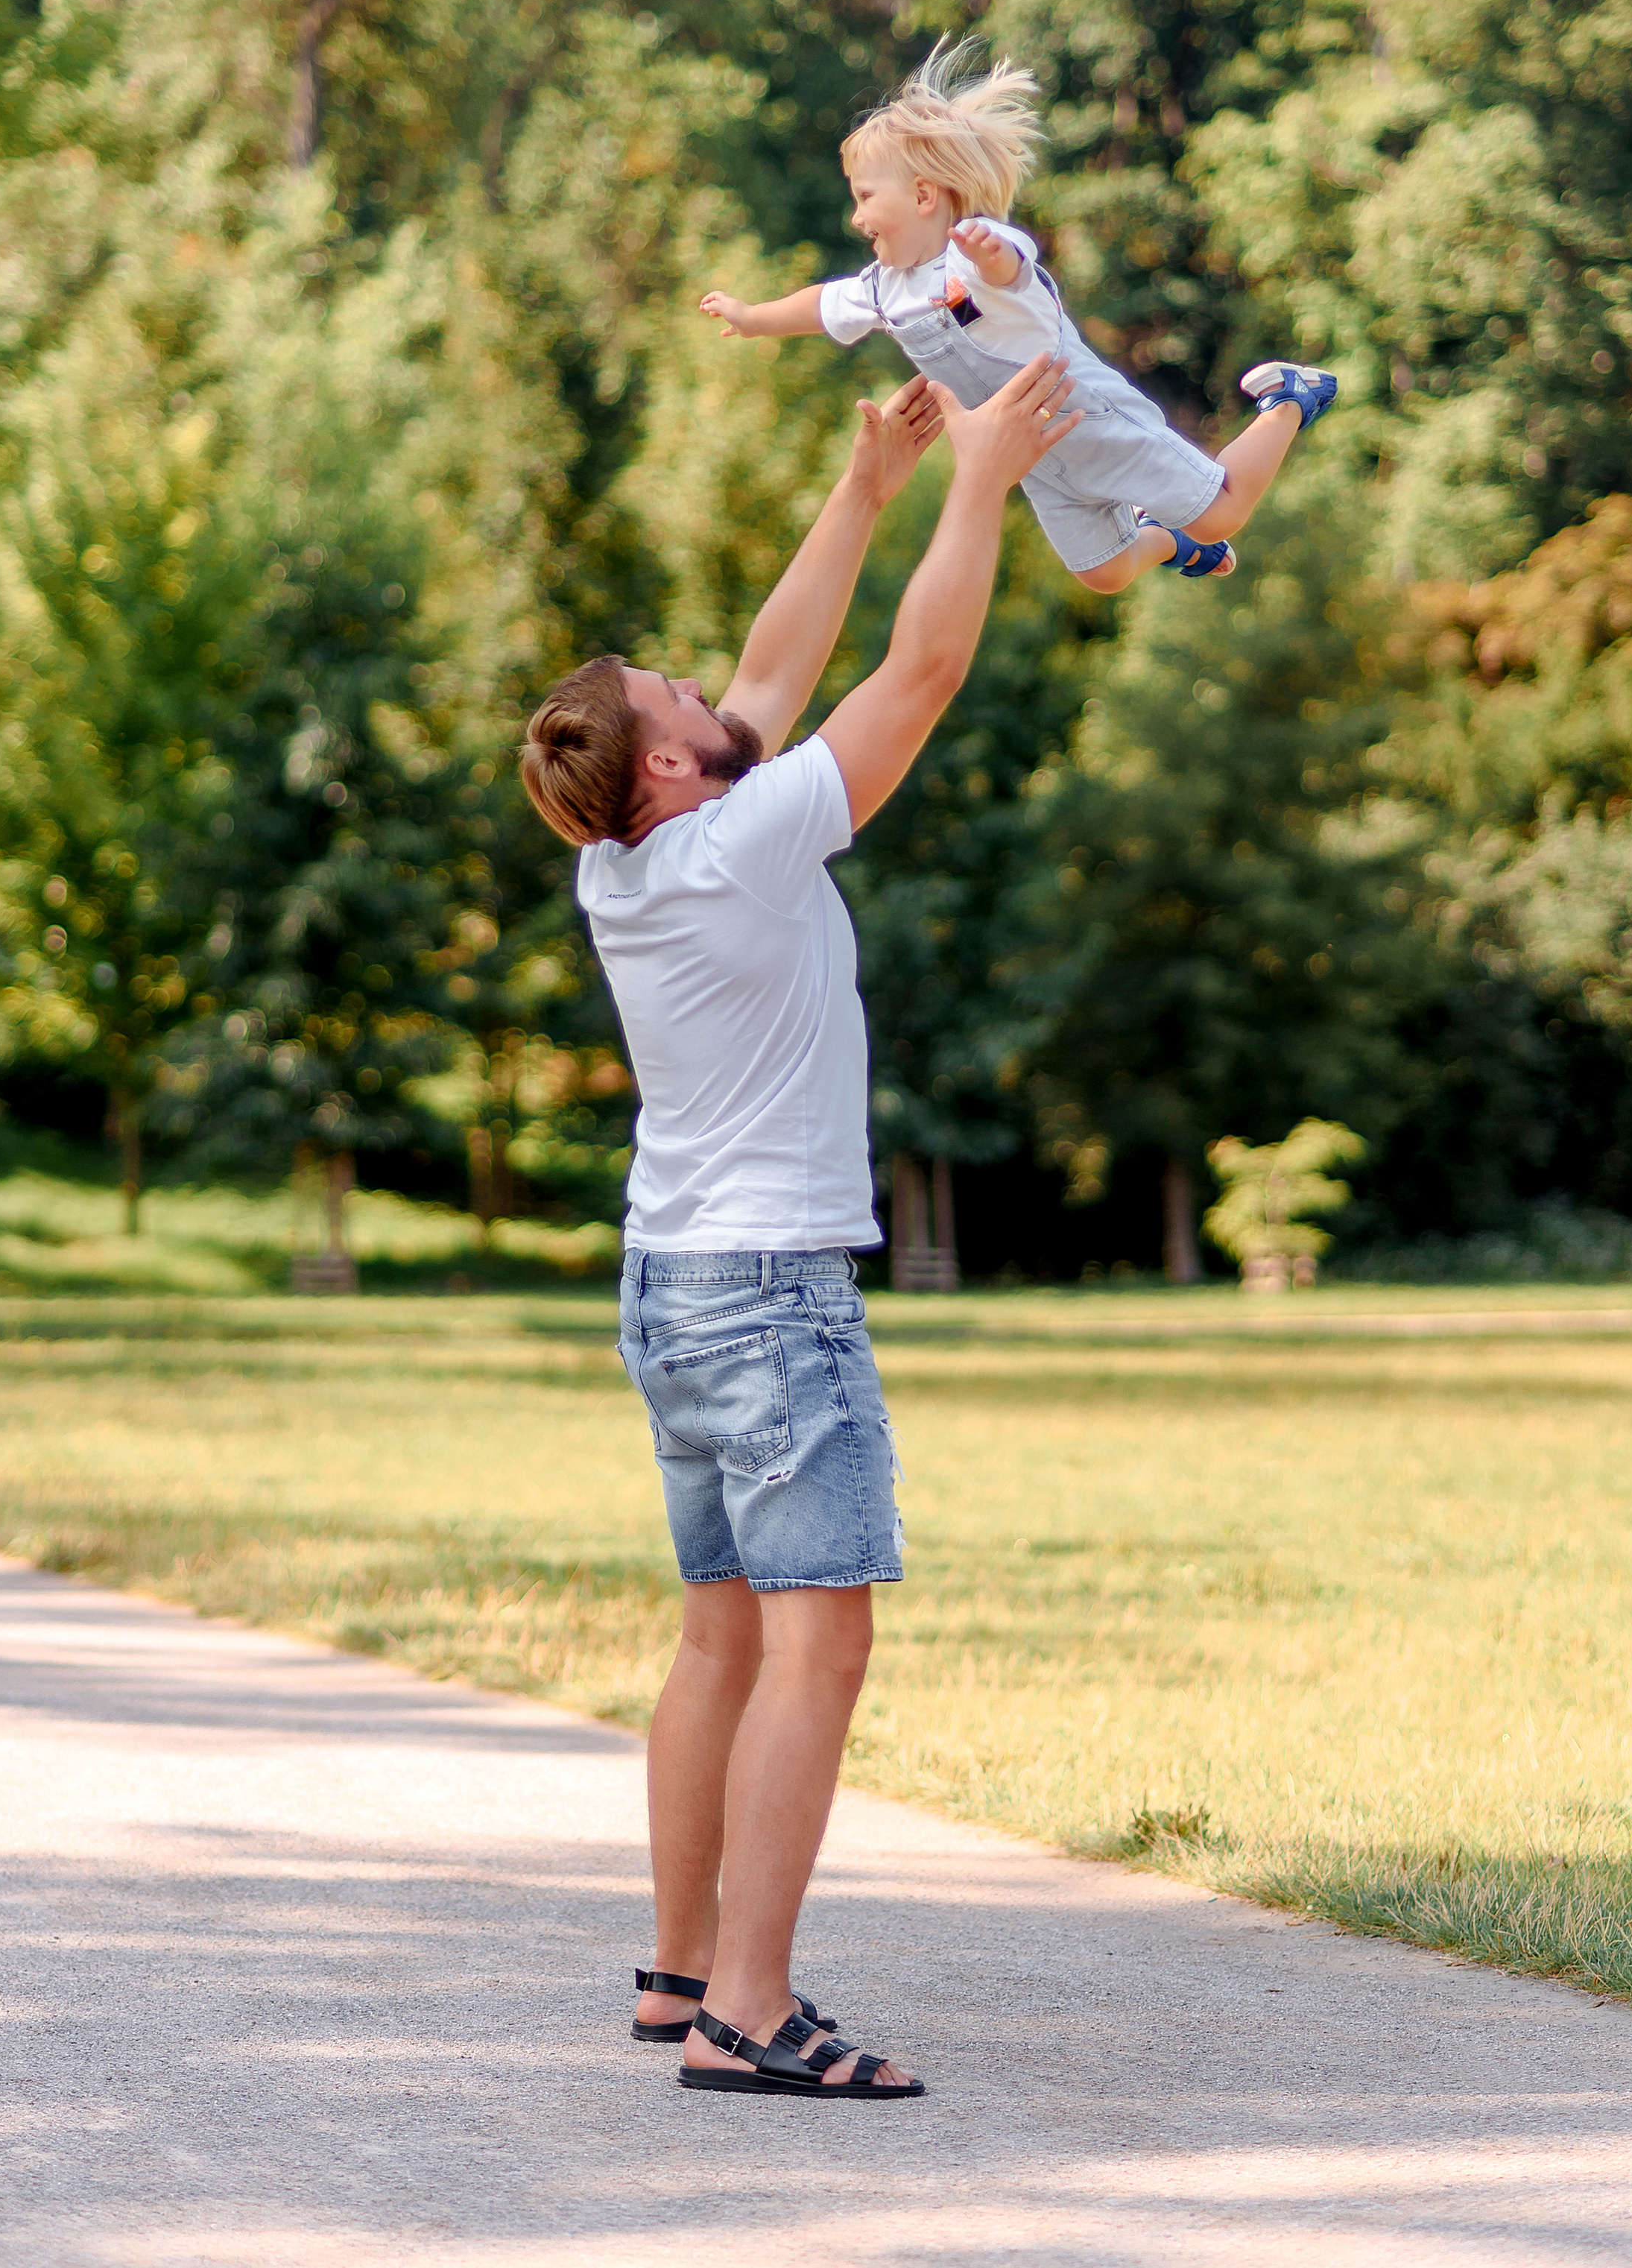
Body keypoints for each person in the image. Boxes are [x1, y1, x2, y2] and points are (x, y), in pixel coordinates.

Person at [519, 356, 1080, 2100]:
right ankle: (754, 2008)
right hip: (767, 1299)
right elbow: (912, 671)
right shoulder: (746, 840)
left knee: (718, 1631)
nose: (713, 680)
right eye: (679, 691)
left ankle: (679, 1968)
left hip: (670, 1287)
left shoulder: (630, 854)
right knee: (815, 1637)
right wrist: (979, 478)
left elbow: (770, 670)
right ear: (674, 766)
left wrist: (867, 480)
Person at [699, 41, 1337, 594]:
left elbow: (1012, 268)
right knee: (1106, 573)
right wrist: (755, 317)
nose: (857, 218)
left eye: (866, 198)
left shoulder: (974, 254)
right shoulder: (883, 290)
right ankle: (1168, 543)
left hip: (1092, 421)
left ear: (923, 196)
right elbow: (818, 303)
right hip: (1033, 457)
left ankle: (1287, 398)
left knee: (1221, 513)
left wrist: (990, 254)